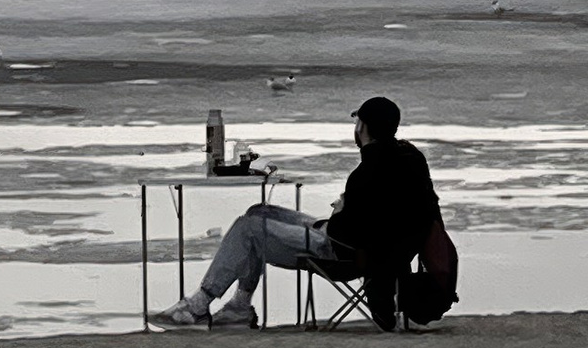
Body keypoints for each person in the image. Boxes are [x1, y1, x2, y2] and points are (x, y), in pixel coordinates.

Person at [154, 96, 443, 330]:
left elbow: (348, 230)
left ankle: (199, 306)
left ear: (363, 127)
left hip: (340, 252)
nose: (355, 128)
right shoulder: (410, 159)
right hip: (367, 248)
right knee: (258, 211)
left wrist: (341, 210)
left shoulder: (369, 171)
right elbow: (391, 217)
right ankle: (239, 307)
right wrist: (346, 212)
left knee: (248, 228)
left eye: (357, 122)